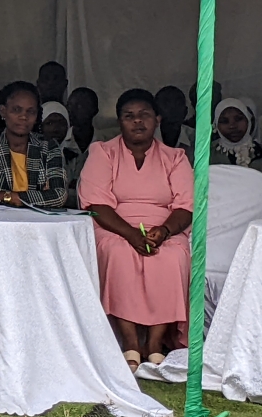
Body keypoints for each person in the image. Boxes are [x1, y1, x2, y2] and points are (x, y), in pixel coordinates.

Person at [77, 88, 193, 371]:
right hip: (114, 227)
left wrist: (163, 232)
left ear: (158, 119)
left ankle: (154, 345)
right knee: (118, 253)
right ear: (119, 121)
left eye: (145, 116)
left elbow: (186, 206)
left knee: (173, 256)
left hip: (163, 228)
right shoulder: (103, 152)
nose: (138, 122)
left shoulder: (175, 157)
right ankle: (130, 344)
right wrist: (131, 235)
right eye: (129, 116)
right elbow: (96, 204)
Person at [0, 81, 67, 208]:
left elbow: (59, 196)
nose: (23, 117)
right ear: (3, 111)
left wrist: (8, 196)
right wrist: (39, 196)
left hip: (38, 223)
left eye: (30, 112)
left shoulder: (48, 147)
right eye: (16, 110)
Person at [210, 98, 262, 185]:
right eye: (224, 121)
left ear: (248, 120)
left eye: (238, 119)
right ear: (216, 125)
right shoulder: (208, 154)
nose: (232, 126)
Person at [155, 86, 194, 158]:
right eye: (166, 104)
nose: (173, 109)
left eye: (178, 103)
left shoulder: (196, 139)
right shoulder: (146, 138)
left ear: (185, 111)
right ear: (155, 111)